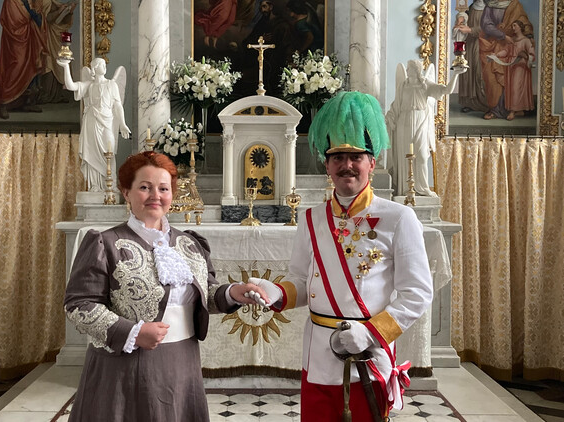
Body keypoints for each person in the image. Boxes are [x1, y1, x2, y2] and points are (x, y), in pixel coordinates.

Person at [248, 91, 434, 422]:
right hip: (318, 357)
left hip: (368, 356)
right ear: (327, 164)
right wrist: (275, 292)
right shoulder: (311, 218)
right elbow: (301, 280)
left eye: (355, 157)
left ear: (372, 162)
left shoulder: (399, 217)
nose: (346, 165)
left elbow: (417, 293)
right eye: (337, 157)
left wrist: (371, 333)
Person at [64, 151, 270, 422]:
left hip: (181, 363)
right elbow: (79, 305)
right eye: (144, 187)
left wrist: (232, 292)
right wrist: (133, 332)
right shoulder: (105, 243)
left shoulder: (190, 243)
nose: (155, 196)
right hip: (123, 369)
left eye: (163, 188)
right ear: (126, 192)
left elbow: (205, 294)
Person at [385, 59, 466, 197]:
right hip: (404, 122)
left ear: (416, 70)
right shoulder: (403, 85)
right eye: (408, 68)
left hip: (420, 120)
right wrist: (389, 117)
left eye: (410, 68)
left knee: (422, 155)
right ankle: (405, 190)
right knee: (404, 157)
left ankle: (422, 188)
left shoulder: (425, 84)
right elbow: (396, 105)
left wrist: (456, 74)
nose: (407, 70)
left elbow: (446, 90)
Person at [57, 57, 130, 192]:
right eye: (101, 65)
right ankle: (95, 185)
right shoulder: (89, 85)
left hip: (107, 122)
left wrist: (122, 124)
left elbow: (118, 106)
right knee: (92, 151)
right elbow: (71, 86)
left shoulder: (112, 85)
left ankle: (112, 184)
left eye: (104, 64)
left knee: (110, 151)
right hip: (91, 121)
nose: (105, 66)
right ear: (95, 68)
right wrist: (66, 66)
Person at [0, 0, 49, 119]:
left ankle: (27, 102)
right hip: (16, 40)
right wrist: (31, 15)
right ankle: (3, 103)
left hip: (30, 37)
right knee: (16, 65)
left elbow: (35, 15)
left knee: (32, 65)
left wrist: (38, 16)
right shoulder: (10, 1)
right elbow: (13, 20)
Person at [479, 0, 532, 120]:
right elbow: (486, 25)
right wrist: (503, 35)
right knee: (492, 78)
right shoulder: (490, 6)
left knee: (510, 80)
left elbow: (524, 23)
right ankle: (495, 109)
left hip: (512, 47)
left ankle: (512, 109)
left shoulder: (515, 5)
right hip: (493, 44)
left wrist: (528, 36)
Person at [495, 19, 535, 120]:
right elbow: (506, 51)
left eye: (515, 26)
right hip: (511, 66)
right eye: (512, 26)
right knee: (511, 88)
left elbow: (531, 54)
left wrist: (525, 56)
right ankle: (519, 110)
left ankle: (513, 111)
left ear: (520, 27)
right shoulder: (512, 40)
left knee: (516, 88)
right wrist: (496, 55)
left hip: (521, 67)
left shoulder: (525, 40)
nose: (513, 28)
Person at [455, 0, 488, 113]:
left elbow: (489, 28)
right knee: (467, 72)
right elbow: (464, 16)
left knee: (480, 73)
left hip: (483, 44)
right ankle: (469, 102)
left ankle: (485, 102)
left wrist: (470, 30)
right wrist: (461, 20)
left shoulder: (489, 9)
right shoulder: (472, 7)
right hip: (469, 44)